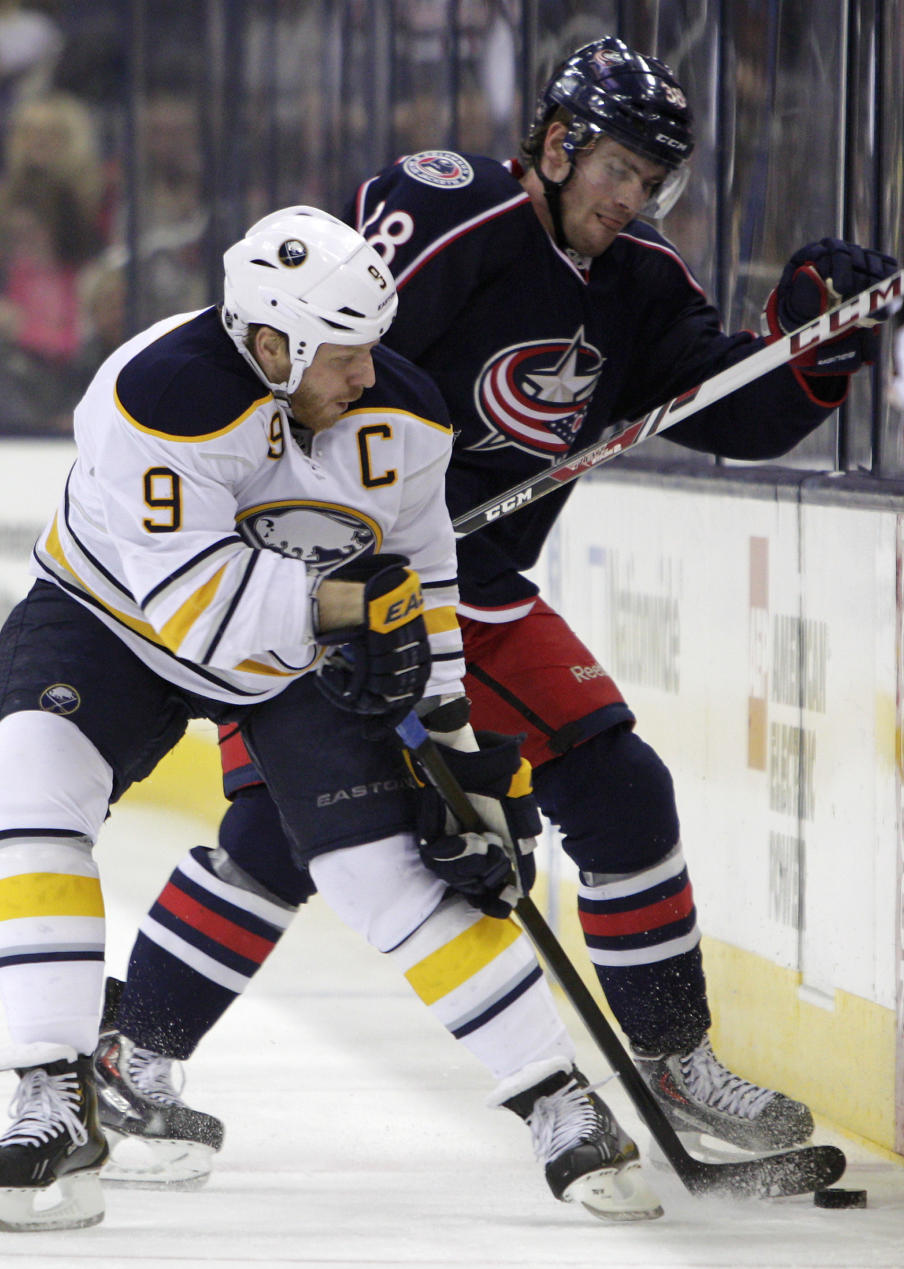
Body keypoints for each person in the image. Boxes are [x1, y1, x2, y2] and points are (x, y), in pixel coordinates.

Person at [93, 36, 899, 1188]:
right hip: (335, 577)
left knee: (587, 790)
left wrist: (818, 346)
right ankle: (139, 1051)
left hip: (471, 584)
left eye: (654, 178)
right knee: (310, 821)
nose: (633, 197)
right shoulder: (448, 219)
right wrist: (315, 572)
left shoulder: (641, 284)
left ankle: (671, 1058)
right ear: (559, 144)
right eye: (618, 167)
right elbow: (318, 375)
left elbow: (730, 411)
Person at [0, 204, 663, 1233]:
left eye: (370, 348)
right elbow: (193, 616)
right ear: (270, 342)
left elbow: (426, 574)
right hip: (108, 620)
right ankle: (52, 1091)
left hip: (289, 642)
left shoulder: (405, 418)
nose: (366, 375)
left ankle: (557, 1099)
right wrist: (345, 606)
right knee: (30, 781)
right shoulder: (154, 396)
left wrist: (454, 745)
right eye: (342, 355)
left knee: (383, 862)